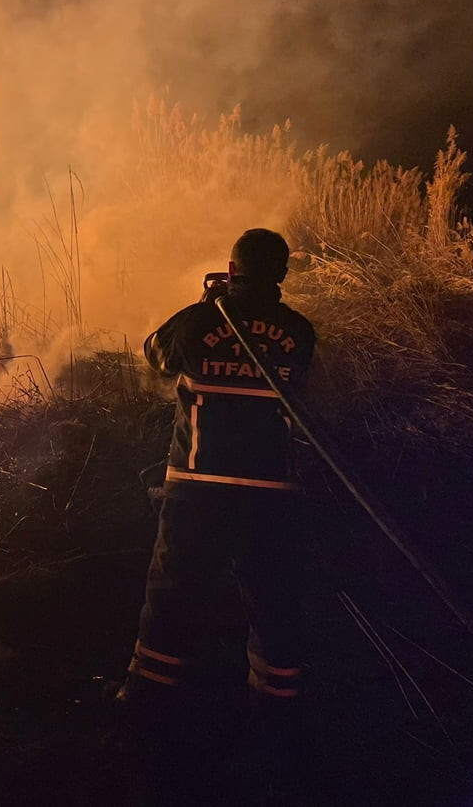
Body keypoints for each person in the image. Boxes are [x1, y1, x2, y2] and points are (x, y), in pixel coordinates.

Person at [118, 228, 317, 728]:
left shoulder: (200, 321)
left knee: (172, 594)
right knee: (274, 600)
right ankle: (278, 710)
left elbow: (156, 355)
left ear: (231, 272)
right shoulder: (300, 332)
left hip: (199, 486)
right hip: (271, 491)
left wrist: (206, 303)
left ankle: (145, 703)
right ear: (282, 276)